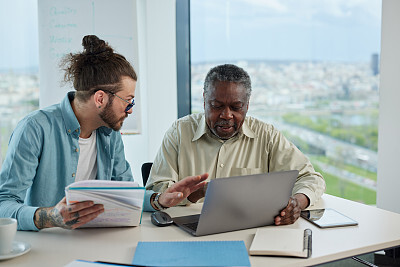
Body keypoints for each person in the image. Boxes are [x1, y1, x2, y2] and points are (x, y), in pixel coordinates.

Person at [0, 35, 207, 231]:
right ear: (100, 99)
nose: (130, 109)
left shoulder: (110, 133)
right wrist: (50, 216)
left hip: (97, 238)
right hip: (48, 244)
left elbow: (128, 194)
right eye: (128, 101)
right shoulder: (35, 128)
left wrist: (160, 199)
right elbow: (4, 204)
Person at [146, 64, 326, 225]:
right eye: (216, 106)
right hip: (185, 232)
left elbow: (311, 178)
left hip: (250, 231)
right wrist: (196, 193)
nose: (226, 115)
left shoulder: (266, 136)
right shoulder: (179, 132)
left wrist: (297, 203)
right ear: (204, 101)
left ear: (247, 105)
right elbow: (156, 190)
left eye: (236, 107)